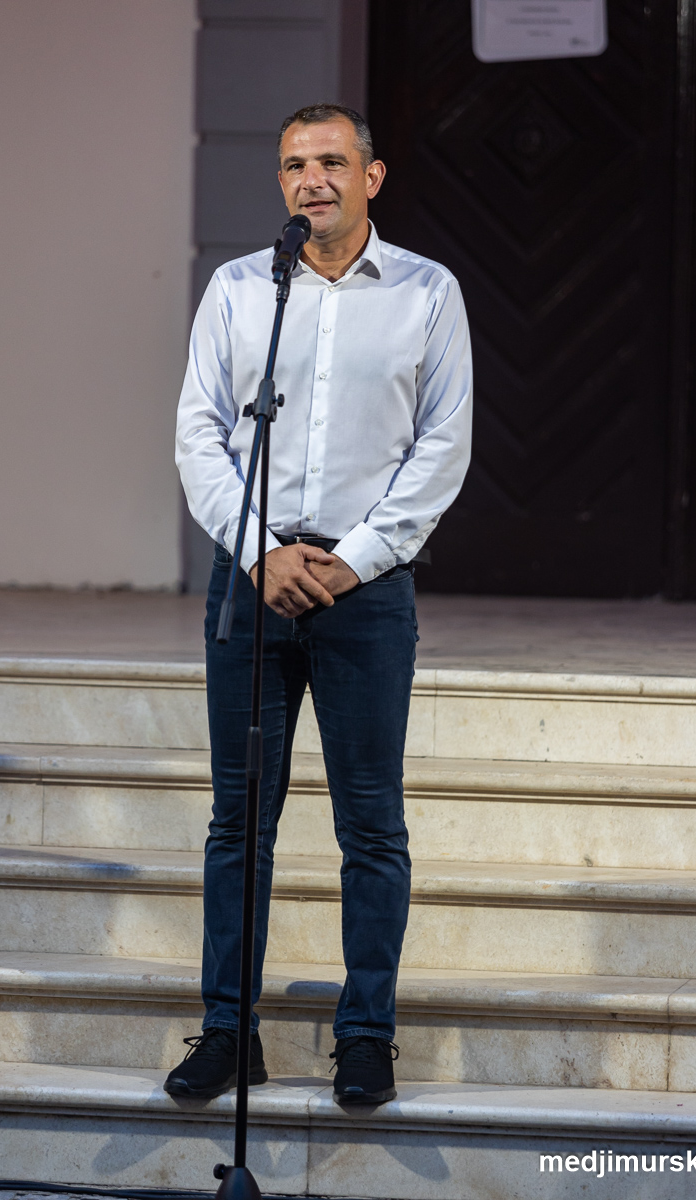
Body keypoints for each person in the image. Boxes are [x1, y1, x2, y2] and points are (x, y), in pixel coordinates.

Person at [167, 103, 472, 1105]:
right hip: (250, 583)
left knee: (370, 825)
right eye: (296, 164)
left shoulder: (427, 291)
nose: (314, 180)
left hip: (365, 589)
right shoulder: (240, 289)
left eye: (334, 162)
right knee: (237, 822)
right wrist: (260, 551)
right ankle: (228, 1031)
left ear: (371, 177)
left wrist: (354, 563)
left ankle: (366, 1035)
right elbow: (199, 435)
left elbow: (442, 447)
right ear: (282, 182)